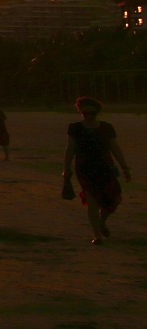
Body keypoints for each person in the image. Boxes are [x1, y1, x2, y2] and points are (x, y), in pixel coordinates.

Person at [62, 97, 130, 245]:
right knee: (92, 200)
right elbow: (70, 149)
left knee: (113, 198)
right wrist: (66, 169)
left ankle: (101, 221)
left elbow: (115, 148)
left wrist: (125, 167)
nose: (89, 116)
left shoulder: (106, 127)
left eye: (93, 113)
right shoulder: (75, 128)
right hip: (85, 168)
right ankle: (97, 235)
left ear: (97, 113)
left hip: (105, 167)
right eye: (86, 113)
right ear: (81, 112)